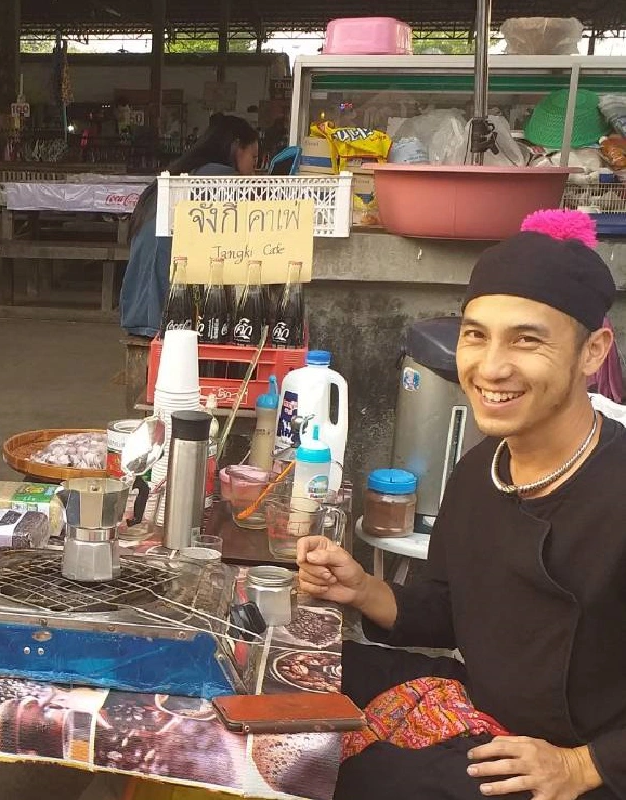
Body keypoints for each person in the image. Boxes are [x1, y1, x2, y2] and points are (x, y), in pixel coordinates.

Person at [297, 210, 624, 800]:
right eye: (476, 335)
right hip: (483, 702)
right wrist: (363, 590)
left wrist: (583, 765)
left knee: (339, 774)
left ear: (592, 351)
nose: (490, 367)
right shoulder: (483, 468)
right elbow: (451, 609)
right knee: (292, 671)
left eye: (527, 340)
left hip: (574, 764)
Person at [119, 114, 260, 337]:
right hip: (166, 311)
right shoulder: (221, 179)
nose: (254, 170)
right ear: (237, 147)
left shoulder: (183, 172)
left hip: (138, 306)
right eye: (254, 158)